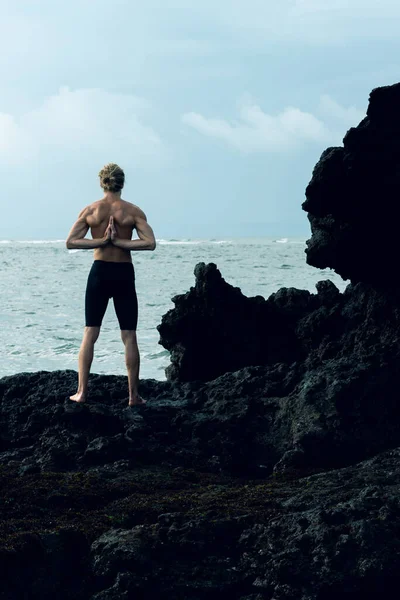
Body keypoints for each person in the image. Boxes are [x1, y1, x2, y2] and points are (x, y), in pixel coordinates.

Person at [65, 163, 156, 406]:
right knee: (129, 335)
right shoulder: (132, 211)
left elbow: (71, 241)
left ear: (102, 182)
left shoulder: (91, 210)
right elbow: (150, 243)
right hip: (124, 273)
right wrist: (120, 243)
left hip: (100, 273)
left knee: (90, 332)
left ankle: (82, 393)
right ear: (121, 183)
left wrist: (102, 242)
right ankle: (133, 396)